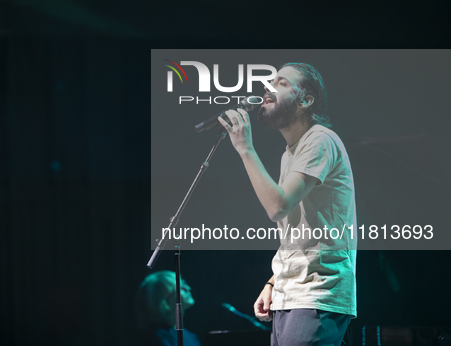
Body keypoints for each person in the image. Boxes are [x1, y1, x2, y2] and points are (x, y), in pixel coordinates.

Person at [218, 63, 356, 346]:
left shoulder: (320, 139)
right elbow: (298, 234)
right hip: (290, 293)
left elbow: (277, 207)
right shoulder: (289, 155)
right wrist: (273, 282)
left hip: (317, 292)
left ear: (306, 101)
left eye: (280, 83)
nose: (268, 88)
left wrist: (245, 149)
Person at [136, 271, 202, 346]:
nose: (188, 288)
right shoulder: (155, 338)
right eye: (180, 287)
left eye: (184, 284)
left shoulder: (190, 336)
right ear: (162, 300)